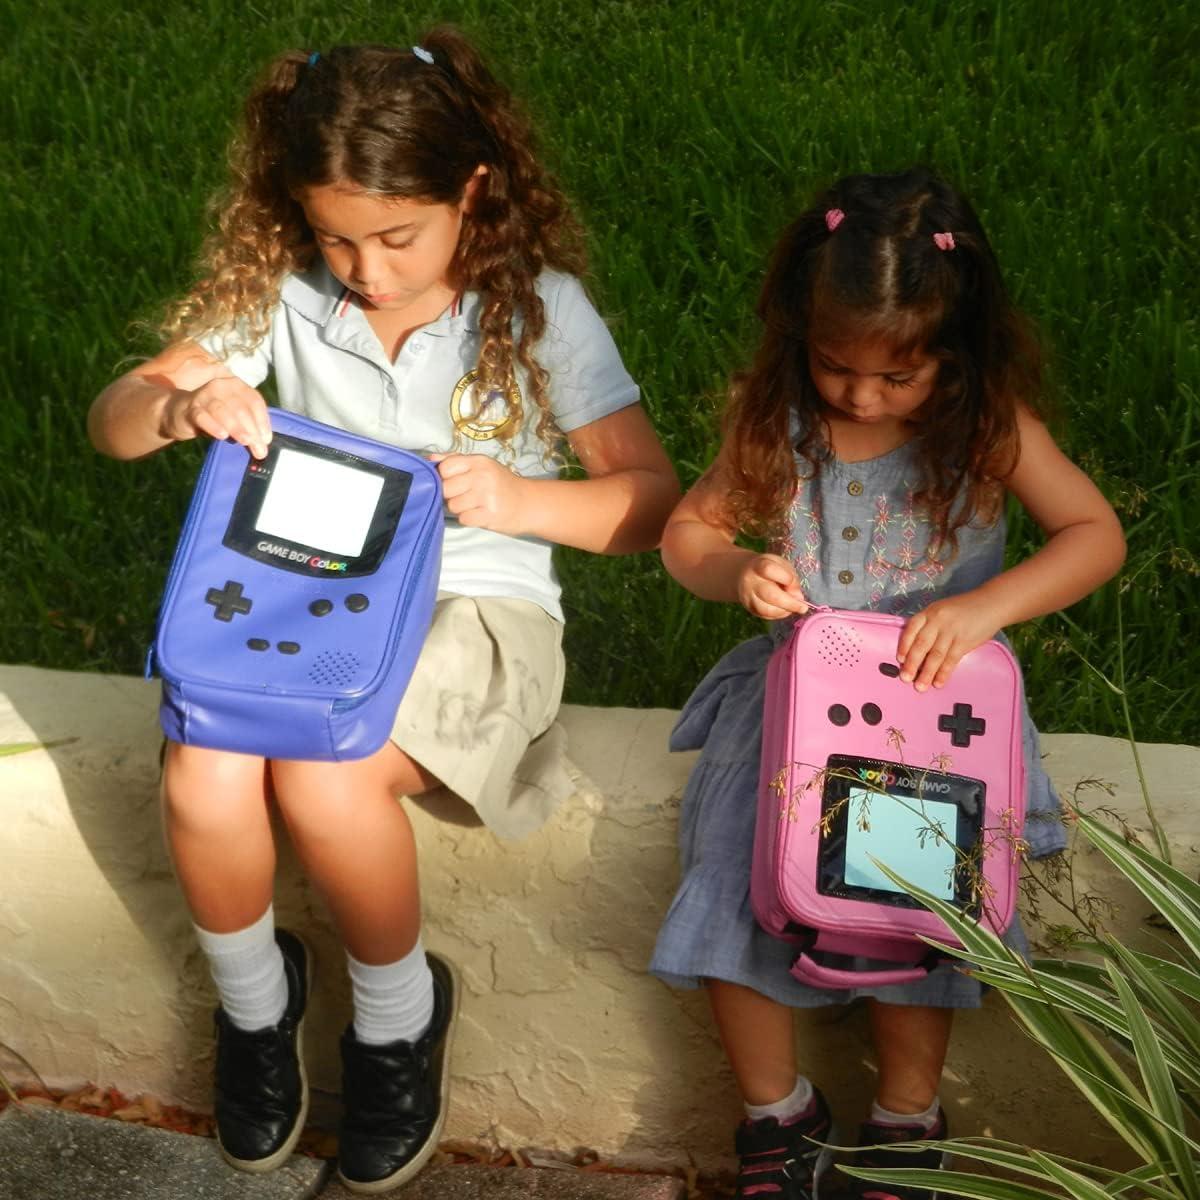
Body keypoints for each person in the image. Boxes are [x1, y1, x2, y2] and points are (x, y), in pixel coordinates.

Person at [89, 30, 678, 1194]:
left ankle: (397, 1019)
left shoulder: (538, 312)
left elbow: (654, 505)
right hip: (310, 591)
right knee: (202, 765)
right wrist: (181, 404)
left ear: (472, 191)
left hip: (478, 604)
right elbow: (118, 416)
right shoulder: (292, 300)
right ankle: (257, 1007)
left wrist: (519, 498)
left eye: (397, 237)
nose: (365, 268)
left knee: (325, 771)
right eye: (335, 237)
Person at [649, 167, 1125, 1200]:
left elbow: (1096, 536)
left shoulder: (988, 429)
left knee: (916, 915)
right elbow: (686, 532)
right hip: (793, 708)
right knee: (736, 877)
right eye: (836, 367)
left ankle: (908, 1118)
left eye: (897, 378)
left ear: (958, 352)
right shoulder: (779, 422)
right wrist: (732, 570)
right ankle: (774, 1116)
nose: (862, 395)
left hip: (932, 720)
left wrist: (986, 609)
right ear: (799, 339)